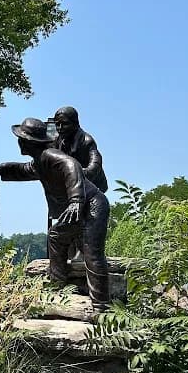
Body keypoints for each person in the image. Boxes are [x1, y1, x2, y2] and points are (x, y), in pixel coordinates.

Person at [0, 117, 110, 311]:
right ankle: (58, 290)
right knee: (56, 236)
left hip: (93, 205)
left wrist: (76, 200)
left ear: (28, 142)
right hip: (79, 207)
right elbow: (24, 170)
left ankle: (101, 306)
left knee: (92, 253)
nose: (19, 143)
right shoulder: (40, 162)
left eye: (21, 139)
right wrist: (2, 169)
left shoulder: (51, 156)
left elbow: (72, 165)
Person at [52, 106, 108, 261]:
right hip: (72, 187)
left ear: (75, 123)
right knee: (69, 216)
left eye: (64, 124)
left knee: (85, 217)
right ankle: (72, 252)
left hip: (93, 186)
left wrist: (76, 173)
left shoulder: (87, 141)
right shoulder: (58, 141)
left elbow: (95, 164)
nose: (60, 128)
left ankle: (84, 252)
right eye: (57, 124)